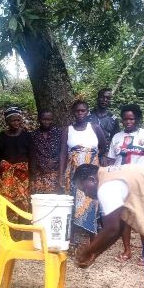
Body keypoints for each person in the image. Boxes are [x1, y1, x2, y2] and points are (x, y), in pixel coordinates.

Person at [108, 104, 144, 263]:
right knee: (125, 217)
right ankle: (127, 251)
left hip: (140, 182)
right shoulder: (117, 137)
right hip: (121, 182)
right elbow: (111, 160)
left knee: (141, 218)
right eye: (125, 119)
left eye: (131, 118)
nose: (128, 121)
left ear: (137, 119)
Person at [59, 100, 106, 241]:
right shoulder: (68, 130)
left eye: (83, 110)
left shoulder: (95, 128)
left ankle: (93, 238)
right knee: (73, 203)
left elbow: (103, 146)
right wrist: (61, 174)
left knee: (91, 201)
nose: (80, 113)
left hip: (92, 173)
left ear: (87, 112)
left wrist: (95, 158)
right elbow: (62, 153)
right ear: (73, 113)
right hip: (73, 173)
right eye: (77, 111)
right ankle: (71, 239)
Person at [0, 106, 31, 210]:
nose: (16, 123)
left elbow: (32, 157)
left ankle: (22, 224)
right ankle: (5, 224)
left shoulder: (26, 136)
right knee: (4, 200)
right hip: (6, 175)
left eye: (18, 120)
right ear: (7, 121)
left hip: (22, 175)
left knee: (22, 200)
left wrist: (33, 176)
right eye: (13, 120)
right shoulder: (1, 137)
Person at [30, 110, 62, 194]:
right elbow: (32, 154)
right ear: (39, 119)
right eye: (44, 119)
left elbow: (63, 151)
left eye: (49, 119)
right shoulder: (33, 135)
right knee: (40, 198)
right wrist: (43, 163)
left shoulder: (59, 133)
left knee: (53, 198)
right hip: (39, 172)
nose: (46, 122)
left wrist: (54, 161)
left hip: (55, 171)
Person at [88, 88, 119, 156]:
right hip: (88, 152)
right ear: (97, 98)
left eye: (108, 98)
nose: (105, 100)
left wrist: (106, 154)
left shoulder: (113, 119)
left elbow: (116, 139)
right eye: (102, 97)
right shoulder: (87, 116)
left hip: (106, 154)